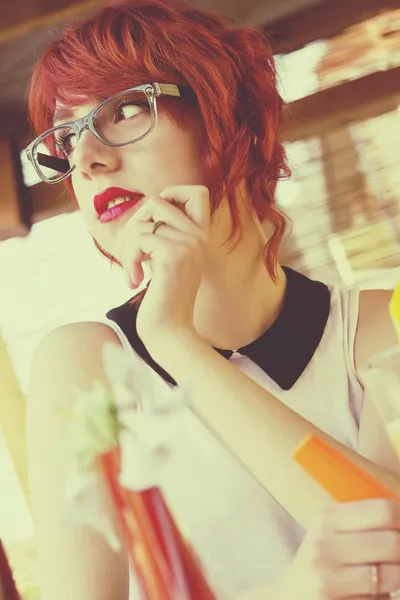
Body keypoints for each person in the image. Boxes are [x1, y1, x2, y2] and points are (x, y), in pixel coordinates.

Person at [25, 0, 400, 599]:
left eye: (124, 110)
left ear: (233, 119)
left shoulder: (379, 330)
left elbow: (390, 556)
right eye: (65, 140)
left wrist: (176, 342)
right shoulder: (83, 366)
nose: (88, 159)